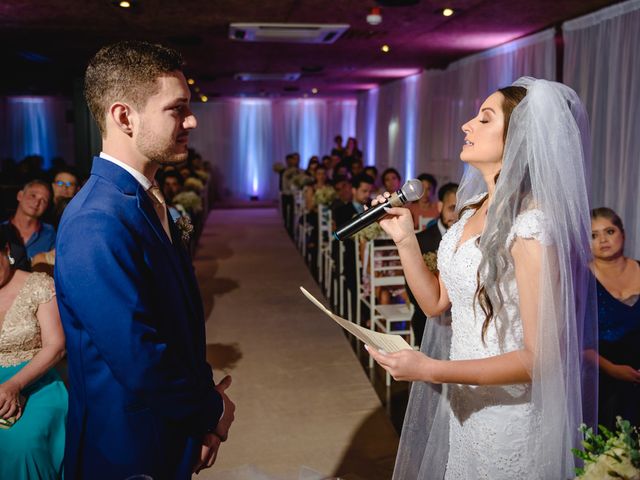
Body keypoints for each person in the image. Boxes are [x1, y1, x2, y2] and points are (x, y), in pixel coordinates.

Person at [367, 78, 597, 479]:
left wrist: (430, 370)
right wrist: (404, 238)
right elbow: (436, 302)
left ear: (519, 139)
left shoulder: (532, 227)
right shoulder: (471, 209)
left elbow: (539, 359)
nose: (466, 126)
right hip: (466, 404)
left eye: (484, 119)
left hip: (511, 418)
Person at [54, 41, 235, 480]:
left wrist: (197, 421)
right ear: (124, 117)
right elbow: (138, 356)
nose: (192, 120)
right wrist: (211, 411)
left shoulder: (142, 198)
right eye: (177, 109)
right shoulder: (94, 220)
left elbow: (178, 324)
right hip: (126, 448)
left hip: (168, 430)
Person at [0, 228, 68, 479]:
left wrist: (14, 385)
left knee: (21, 445)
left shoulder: (39, 284)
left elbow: (56, 346)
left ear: (7, 251)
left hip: (35, 379)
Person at [590, 207, 640, 429]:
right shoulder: (580, 279)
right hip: (602, 383)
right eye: (593, 235)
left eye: (609, 231)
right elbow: (570, 340)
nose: (602, 240)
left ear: (623, 233)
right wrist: (611, 368)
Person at [406, 182, 458, 345]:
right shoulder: (421, 240)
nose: (456, 216)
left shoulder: (469, 238)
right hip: (428, 317)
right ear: (440, 206)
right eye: (452, 208)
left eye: (461, 210)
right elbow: (411, 288)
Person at [1, 180, 56, 271]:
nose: (36, 203)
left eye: (43, 200)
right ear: (20, 195)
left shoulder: (51, 234)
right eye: (33, 196)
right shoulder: (2, 230)